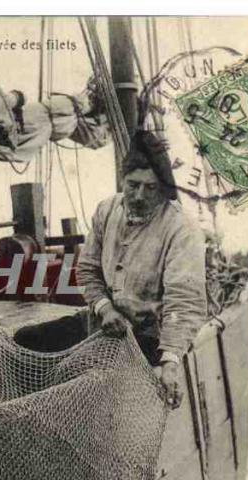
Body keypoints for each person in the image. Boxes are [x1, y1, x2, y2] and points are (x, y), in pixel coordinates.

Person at [75, 130, 208, 409]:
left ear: (163, 188)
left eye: (150, 188)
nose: (138, 196)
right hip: (103, 331)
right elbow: (87, 269)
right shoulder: (106, 210)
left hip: (152, 342)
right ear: (122, 180)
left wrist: (169, 361)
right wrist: (105, 308)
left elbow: (184, 302)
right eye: (133, 185)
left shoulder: (181, 228)